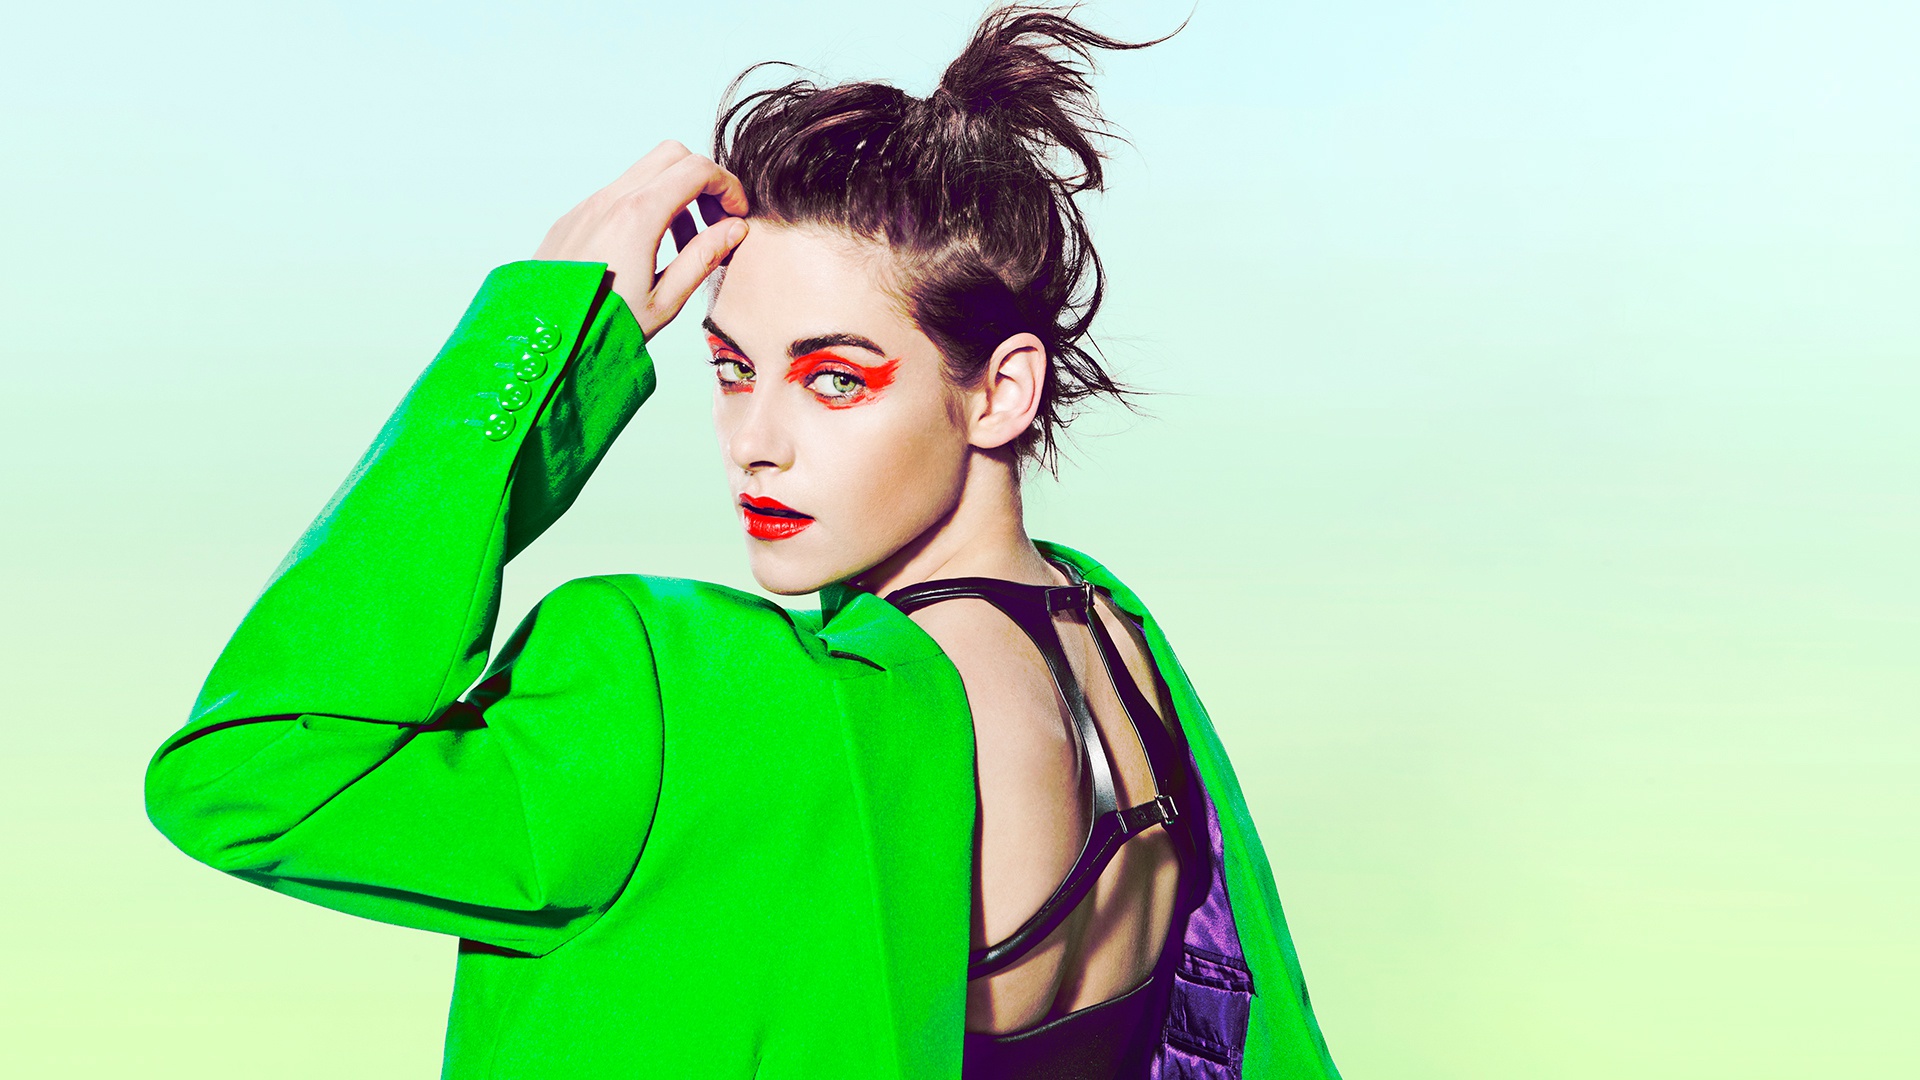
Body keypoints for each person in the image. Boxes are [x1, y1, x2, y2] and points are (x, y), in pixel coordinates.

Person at [144, 5, 1341, 1078]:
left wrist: (531, 343)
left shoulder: (688, 704)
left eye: (834, 379)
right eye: (729, 370)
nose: (754, 443)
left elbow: (248, 780)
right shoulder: (1115, 641)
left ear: (1000, 392)